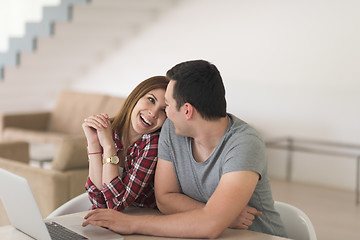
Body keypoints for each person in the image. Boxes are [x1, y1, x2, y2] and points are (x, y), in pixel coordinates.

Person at [82, 60, 287, 239]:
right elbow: (165, 199)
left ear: (187, 110)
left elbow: (211, 225)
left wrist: (132, 224)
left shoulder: (244, 143)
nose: (164, 114)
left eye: (168, 105)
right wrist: (218, 215)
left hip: (257, 236)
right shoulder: (172, 130)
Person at [82, 76, 168, 211]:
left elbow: (116, 205)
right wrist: (93, 143)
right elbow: (98, 200)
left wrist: (109, 147)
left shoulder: (153, 144)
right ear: (136, 97)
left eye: (163, 110)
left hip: (139, 219)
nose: (153, 113)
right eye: (151, 100)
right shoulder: (108, 130)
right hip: (107, 219)